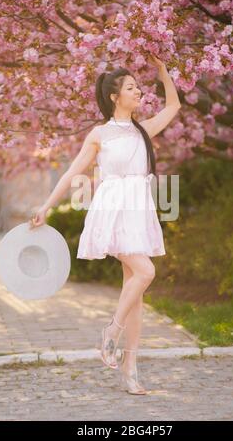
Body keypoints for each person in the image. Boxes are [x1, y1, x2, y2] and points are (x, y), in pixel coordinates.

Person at [29, 53, 181, 394]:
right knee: (146, 272)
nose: (139, 91)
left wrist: (163, 72)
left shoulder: (143, 131)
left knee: (136, 290)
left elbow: (173, 107)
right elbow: (72, 172)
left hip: (139, 211)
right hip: (112, 210)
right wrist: (46, 207)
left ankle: (130, 371)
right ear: (115, 96)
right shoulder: (100, 134)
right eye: (132, 87)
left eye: (139, 86)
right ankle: (111, 330)